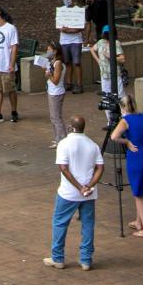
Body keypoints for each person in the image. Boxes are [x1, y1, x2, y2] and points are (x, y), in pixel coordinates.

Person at [45, 115, 104, 271]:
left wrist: (78, 187)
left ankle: (57, 258)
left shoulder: (64, 144)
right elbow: (100, 168)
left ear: (71, 127)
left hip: (68, 192)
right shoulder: (93, 145)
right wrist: (89, 186)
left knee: (60, 222)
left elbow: (63, 168)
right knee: (88, 224)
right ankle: (86, 260)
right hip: (89, 193)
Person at [109, 90, 143, 236]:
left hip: (136, 159)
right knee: (142, 189)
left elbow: (114, 136)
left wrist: (127, 141)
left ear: (123, 108)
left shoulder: (126, 120)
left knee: (138, 194)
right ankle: (139, 220)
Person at [37, 41, 68, 145]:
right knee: (53, 117)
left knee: (56, 118)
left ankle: (62, 140)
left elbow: (55, 80)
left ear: (55, 51)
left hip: (56, 93)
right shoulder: (53, 61)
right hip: (52, 91)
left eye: (49, 50)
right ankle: (57, 138)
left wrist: (49, 75)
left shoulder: (58, 63)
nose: (47, 51)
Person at [58, 0, 84, 94]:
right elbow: (60, 27)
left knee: (76, 62)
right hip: (64, 41)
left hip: (76, 41)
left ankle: (79, 84)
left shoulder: (78, 11)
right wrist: (67, 30)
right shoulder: (61, 10)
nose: (66, 1)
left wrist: (68, 30)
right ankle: (69, 83)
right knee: (67, 62)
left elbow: (80, 27)